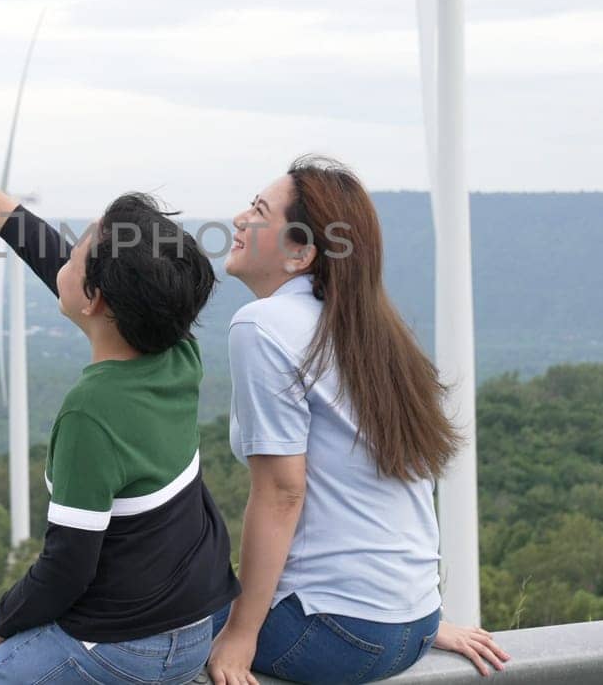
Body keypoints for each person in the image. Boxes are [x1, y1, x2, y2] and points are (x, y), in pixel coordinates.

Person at [0, 121, 241, 685]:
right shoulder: (177, 350)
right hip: (198, 621)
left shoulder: (89, 412)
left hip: (125, 646)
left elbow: (67, 568)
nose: (63, 257)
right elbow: (55, 259)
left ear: (96, 299)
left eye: (76, 254)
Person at [206, 156, 510, 685]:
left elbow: (282, 493)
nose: (237, 219)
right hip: (411, 625)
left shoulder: (263, 324)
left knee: (136, 601)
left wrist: (240, 636)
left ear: (301, 252)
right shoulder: (376, 335)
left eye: (258, 211)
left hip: (330, 632)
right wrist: (418, 618)